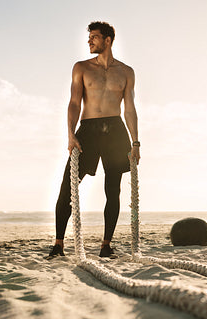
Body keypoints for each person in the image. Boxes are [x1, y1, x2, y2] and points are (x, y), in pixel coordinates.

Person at [47, 21, 140, 258]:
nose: (89, 41)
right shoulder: (81, 68)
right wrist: (70, 134)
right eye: (89, 37)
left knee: (113, 190)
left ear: (107, 40)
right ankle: (58, 244)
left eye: (94, 37)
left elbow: (129, 109)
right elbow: (74, 103)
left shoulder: (126, 72)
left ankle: (106, 245)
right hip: (88, 128)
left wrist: (135, 142)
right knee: (68, 187)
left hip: (116, 131)